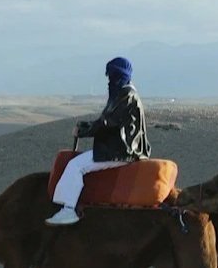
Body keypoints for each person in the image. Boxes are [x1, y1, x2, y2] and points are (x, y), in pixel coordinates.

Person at [47, 57, 147, 225]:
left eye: (111, 75)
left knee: (75, 166)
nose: (109, 80)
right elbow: (107, 120)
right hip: (123, 148)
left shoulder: (125, 95)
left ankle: (68, 210)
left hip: (122, 150)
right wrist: (86, 126)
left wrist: (84, 131)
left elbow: (107, 123)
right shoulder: (126, 93)